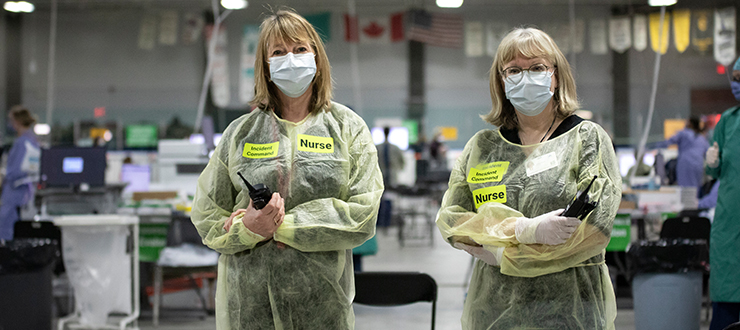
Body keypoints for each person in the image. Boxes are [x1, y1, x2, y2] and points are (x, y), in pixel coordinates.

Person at [190, 9, 383, 330]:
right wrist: (247, 229)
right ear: (265, 67)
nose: (290, 59)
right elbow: (208, 217)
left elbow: (363, 215)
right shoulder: (240, 134)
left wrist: (275, 225)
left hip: (322, 299)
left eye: (300, 49)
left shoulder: (348, 127)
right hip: (250, 303)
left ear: (317, 58)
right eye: (278, 52)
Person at [435, 27, 621, 329]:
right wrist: (524, 230)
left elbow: (596, 229)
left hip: (571, 309)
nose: (526, 76)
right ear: (501, 80)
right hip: (495, 310)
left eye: (537, 67)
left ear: (556, 75)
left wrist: (503, 254)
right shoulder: (483, 147)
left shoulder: (586, 139)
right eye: (514, 70)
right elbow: (452, 221)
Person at [705, 56, 740, 330]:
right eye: (735, 79)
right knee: (728, 296)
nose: (736, 85)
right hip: (730, 220)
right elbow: (714, 171)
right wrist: (711, 162)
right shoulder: (728, 121)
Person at [0, 106, 40, 240]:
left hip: (15, 192)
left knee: (8, 228)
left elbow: (15, 171)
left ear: (17, 121)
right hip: (23, 192)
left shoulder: (23, 143)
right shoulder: (32, 140)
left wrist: (4, 176)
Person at [653, 115, 709, 190]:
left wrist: (652, 146)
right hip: (698, 166)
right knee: (695, 189)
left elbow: (668, 142)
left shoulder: (684, 134)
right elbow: (708, 153)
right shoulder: (702, 138)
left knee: (684, 188)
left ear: (690, 124)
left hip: (685, 164)